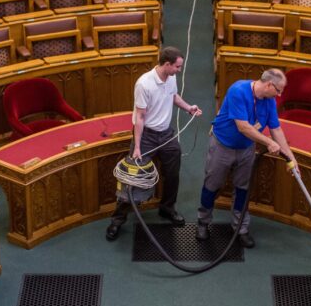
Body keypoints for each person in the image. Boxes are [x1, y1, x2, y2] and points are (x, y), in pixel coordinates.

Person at [106, 47, 202, 241]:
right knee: (132, 179)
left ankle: (167, 209)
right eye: (177, 66)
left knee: (172, 175)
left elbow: (173, 96)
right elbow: (140, 117)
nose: (179, 70)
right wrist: (138, 147)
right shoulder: (144, 84)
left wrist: (188, 108)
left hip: (166, 135)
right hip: (147, 136)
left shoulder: (171, 77)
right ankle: (117, 220)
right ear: (167, 64)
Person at [196, 68, 297, 248]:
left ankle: (240, 228)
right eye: (279, 90)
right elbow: (243, 127)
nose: (280, 95)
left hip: (246, 149)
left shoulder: (270, 101)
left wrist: (291, 158)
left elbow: (276, 129)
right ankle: (203, 222)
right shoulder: (238, 91)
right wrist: (268, 142)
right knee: (212, 185)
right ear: (268, 85)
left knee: (242, 189)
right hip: (222, 146)